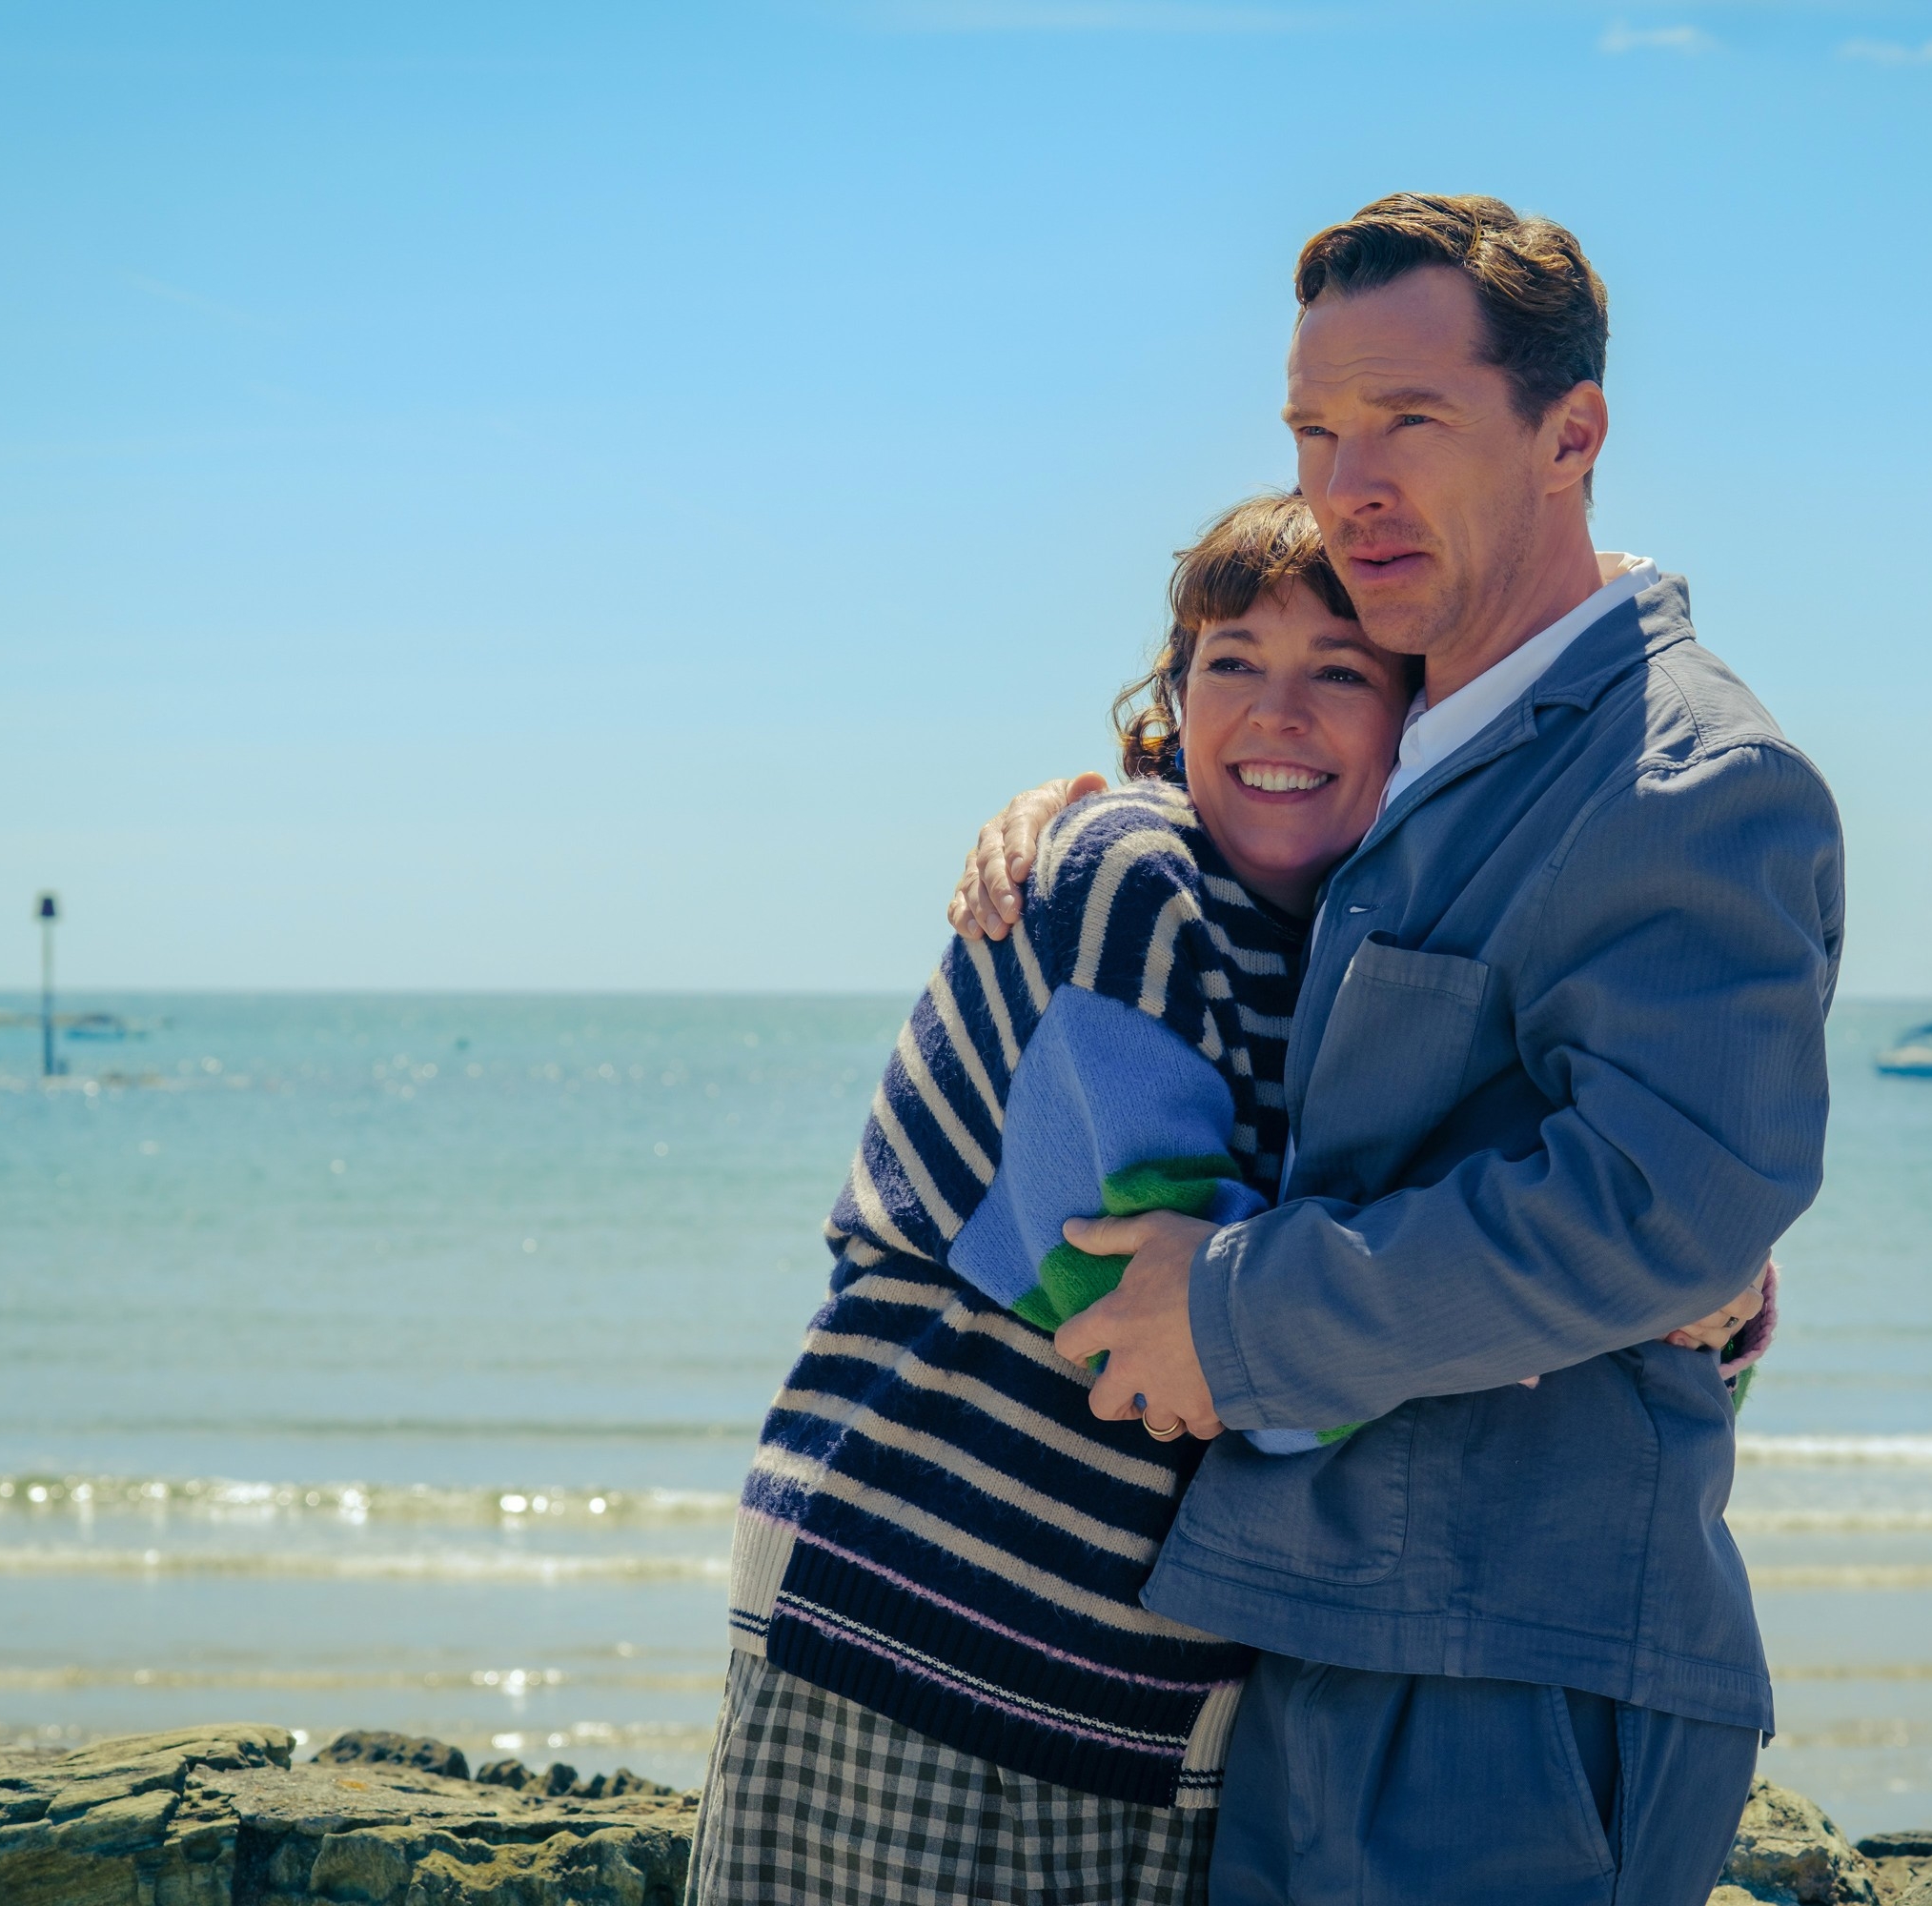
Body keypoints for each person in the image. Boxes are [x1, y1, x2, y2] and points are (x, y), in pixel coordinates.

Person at [691, 491, 1778, 1905]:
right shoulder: (1128, 881)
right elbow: (1161, 1342)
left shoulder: (1360, 950)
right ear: (1172, 698)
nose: (1277, 714)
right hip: (924, 1630)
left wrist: (1681, 1273)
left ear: (1418, 721)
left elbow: (1393, 1261)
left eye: (1340, 671)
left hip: (1150, 1692)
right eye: (1229, 664)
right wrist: (1615, 1287)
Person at [948, 193, 1843, 1906]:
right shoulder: (1423, 731)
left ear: (1571, 433)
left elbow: (1665, 1207)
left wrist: (1230, 1314)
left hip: (1519, 1670)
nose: (1344, 481)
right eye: (1314, 429)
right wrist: (1102, 807)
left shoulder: (1692, 778)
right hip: (1332, 1640)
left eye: (1409, 422)